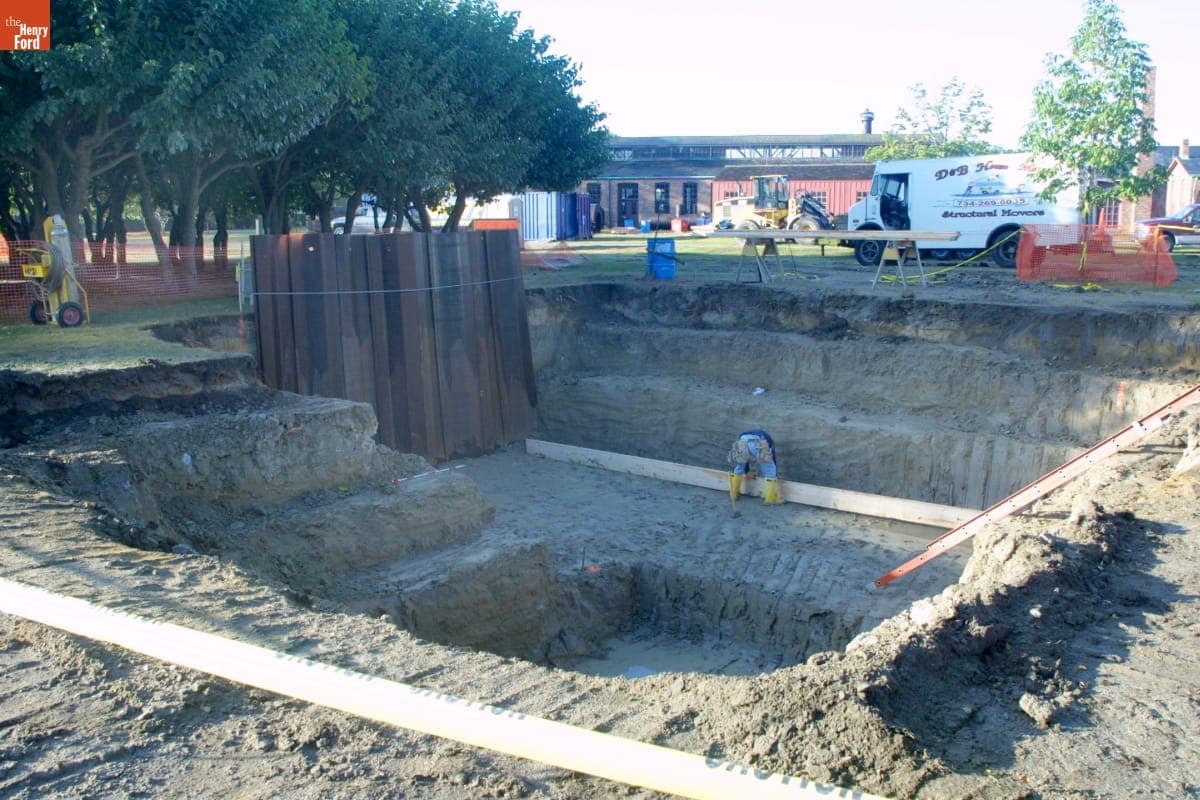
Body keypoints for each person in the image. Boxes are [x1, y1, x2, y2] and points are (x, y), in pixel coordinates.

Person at [728, 428, 783, 512]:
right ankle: (770, 499)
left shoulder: (746, 433)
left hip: (742, 441)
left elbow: (744, 460)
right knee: (770, 468)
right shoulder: (770, 442)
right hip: (757, 442)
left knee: (740, 466)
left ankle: (734, 494)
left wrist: (747, 472)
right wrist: (775, 473)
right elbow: (772, 459)